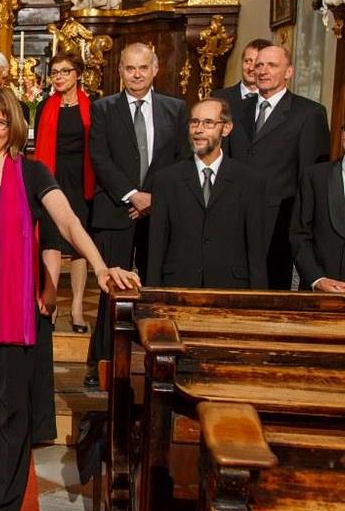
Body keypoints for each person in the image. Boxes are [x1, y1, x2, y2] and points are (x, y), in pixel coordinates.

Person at [0, 87, 138, 511]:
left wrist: (101, 267)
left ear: (13, 127)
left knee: (11, 408)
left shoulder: (30, 172)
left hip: (11, 308)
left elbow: (67, 222)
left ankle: (2, 503)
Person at [87, 43, 188, 386]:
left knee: (155, 287)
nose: (136, 75)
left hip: (159, 212)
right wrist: (132, 195)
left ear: (155, 69)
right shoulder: (103, 108)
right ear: (120, 72)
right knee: (111, 290)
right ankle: (102, 362)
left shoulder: (175, 109)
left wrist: (156, 199)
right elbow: (100, 158)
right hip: (116, 210)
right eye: (130, 68)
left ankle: (154, 361)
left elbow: (181, 158)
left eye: (143, 68)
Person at [228, 45, 330, 290]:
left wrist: (301, 226)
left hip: (278, 224)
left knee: (269, 292)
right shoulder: (235, 109)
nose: (262, 71)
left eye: (272, 65)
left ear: (289, 72)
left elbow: (311, 177)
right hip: (232, 216)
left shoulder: (309, 113)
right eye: (259, 65)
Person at [147, 98, 268, 288]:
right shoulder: (166, 180)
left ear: (226, 128)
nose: (199, 129)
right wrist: (152, 295)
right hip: (178, 286)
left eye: (208, 123)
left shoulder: (248, 181)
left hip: (231, 289)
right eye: (194, 122)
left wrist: (258, 300)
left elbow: (256, 250)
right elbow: (156, 247)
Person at [34, 52, 94, 332]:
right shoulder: (44, 106)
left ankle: (78, 307)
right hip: (51, 178)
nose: (58, 77)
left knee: (79, 242)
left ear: (77, 74)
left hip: (81, 178)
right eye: (55, 72)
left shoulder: (92, 105)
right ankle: (52, 299)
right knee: (52, 239)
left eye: (64, 71)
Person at [290, 122, 345, 293]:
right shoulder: (315, 177)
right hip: (319, 294)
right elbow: (299, 234)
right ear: (343, 137)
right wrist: (317, 279)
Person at [212, 38, 272, 114]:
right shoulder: (219, 97)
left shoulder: (273, 99)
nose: (251, 68)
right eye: (248, 61)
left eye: (257, 64)